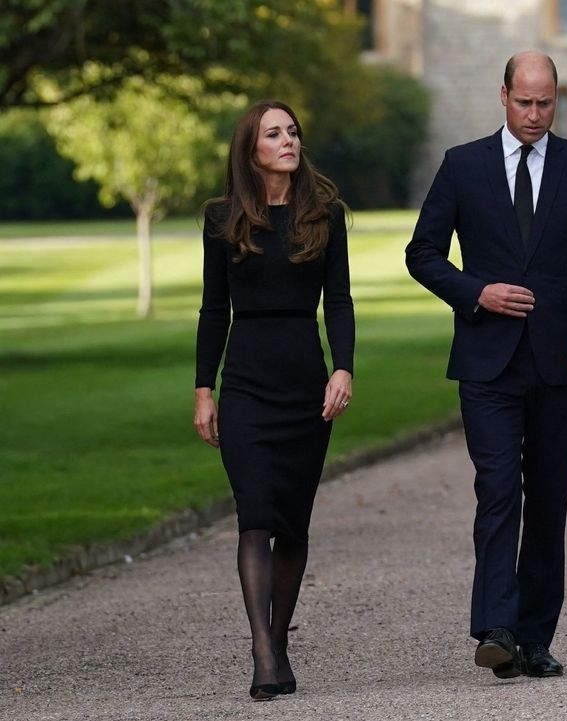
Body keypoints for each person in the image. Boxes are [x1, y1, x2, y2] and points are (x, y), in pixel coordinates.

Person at [405, 51, 567, 679]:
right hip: (487, 360)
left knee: (548, 501)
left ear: (558, 100)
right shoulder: (463, 165)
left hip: (560, 360)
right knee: (497, 489)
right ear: (503, 96)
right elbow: (422, 253)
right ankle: (496, 627)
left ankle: (534, 638)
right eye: (524, 102)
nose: (534, 115)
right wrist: (477, 293)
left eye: (546, 103)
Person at [193, 100, 354, 700]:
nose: (288, 140)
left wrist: (344, 369)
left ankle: (278, 640)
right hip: (247, 385)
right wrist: (204, 387)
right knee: (255, 516)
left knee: (292, 523)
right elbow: (214, 310)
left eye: (293, 131)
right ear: (251, 148)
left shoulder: (325, 214)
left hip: (305, 386)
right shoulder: (221, 218)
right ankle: (264, 654)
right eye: (274, 133)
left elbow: (338, 301)